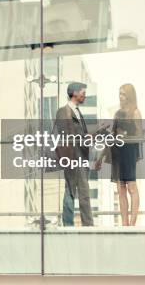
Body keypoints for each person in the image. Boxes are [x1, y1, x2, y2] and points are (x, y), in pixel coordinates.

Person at [95, 84, 143, 226]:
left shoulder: (135, 112)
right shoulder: (117, 114)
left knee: (131, 187)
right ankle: (124, 223)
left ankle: (133, 223)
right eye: (119, 93)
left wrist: (126, 135)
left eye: (123, 94)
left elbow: (140, 135)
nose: (120, 96)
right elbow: (111, 138)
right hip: (117, 152)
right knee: (120, 188)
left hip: (129, 151)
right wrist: (100, 158)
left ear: (129, 96)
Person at [55, 82, 93, 227]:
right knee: (76, 190)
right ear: (75, 93)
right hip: (72, 156)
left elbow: (77, 135)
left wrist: (88, 137)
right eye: (83, 92)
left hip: (80, 156)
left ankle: (75, 224)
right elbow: (67, 137)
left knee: (77, 190)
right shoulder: (63, 112)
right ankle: (74, 225)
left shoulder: (76, 111)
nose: (85, 95)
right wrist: (84, 138)